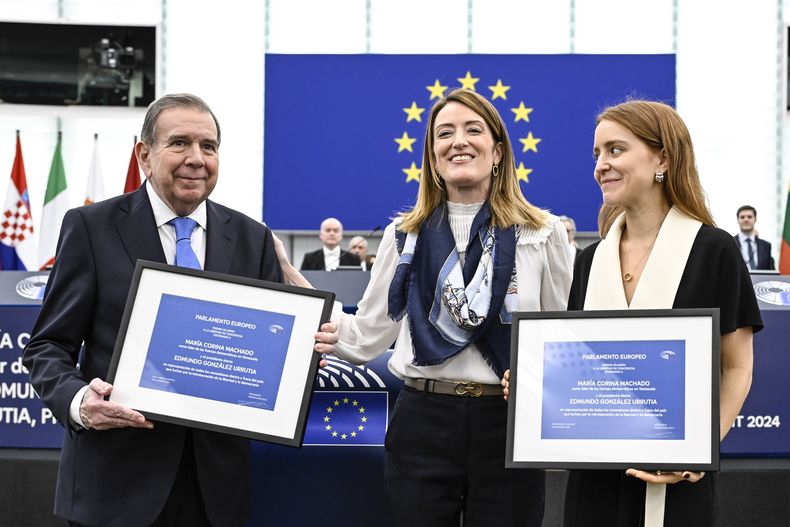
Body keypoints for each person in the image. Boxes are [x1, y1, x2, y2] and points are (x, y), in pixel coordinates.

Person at [276, 88, 572, 526]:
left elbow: (562, 336)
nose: (459, 141)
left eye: (474, 130)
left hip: (510, 423)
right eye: (445, 133)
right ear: (433, 158)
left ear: (498, 150)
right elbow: (365, 335)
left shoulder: (541, 233)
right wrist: (290, 277)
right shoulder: (404, 235)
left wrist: (542, 378)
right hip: (423, 421)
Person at [22, 93, 288, 527]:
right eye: (179, 143)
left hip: (215, 495)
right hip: (115, 486)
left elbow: (270, 359)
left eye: (208, 146)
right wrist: (79, 401)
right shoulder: (91, 228)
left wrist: (302, 350)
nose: (196, 159)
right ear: (144, 154)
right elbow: (47, 346)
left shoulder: (251, 238)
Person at [502, 100, 761, 527]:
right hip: (593, 483)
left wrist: (697, 453)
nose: (601, 165)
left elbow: (736, 368)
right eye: (597, 154)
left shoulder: (715, 250)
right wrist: (534, 386)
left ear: (662, 157)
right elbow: (579, 370)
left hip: (676, 481)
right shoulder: (588, 261)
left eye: (615, 150)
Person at [734, 205, 774, 270]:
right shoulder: (731, 243)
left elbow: (771, 271)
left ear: (755, 219)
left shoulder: (766, 246)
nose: (746, 219)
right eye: (742, 217)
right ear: (738, 220)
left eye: (749, 217)